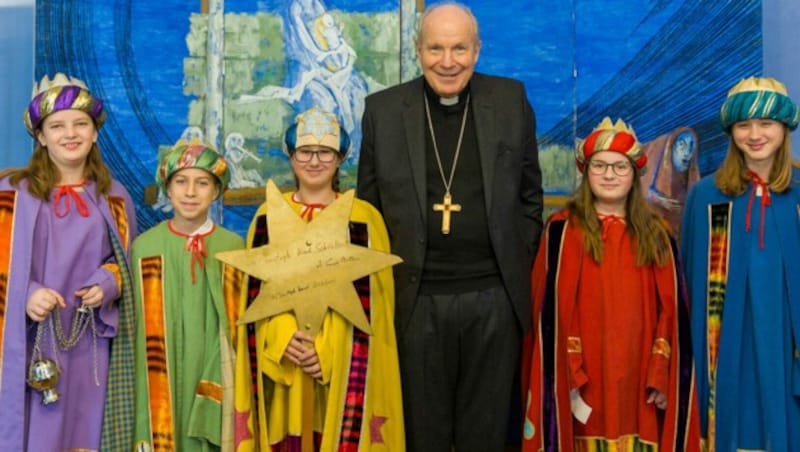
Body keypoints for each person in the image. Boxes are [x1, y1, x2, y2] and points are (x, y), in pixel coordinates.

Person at [356, 2, 543, 450]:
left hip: (493, 300)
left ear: (477, 50)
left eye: (459, 48)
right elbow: (367, 208)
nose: (447, 61)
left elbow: (530, 200)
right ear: (417, 50)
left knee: (489, 434)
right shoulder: (382, 111)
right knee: (423, 434)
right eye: (435, 48)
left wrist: (510, 267)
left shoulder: (510, 100)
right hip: (414, 301)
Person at [521, 117, 701, 451]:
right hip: (583, 374)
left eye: (620, 167)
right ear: (586, 172)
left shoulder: (658, 234)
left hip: (640, 375)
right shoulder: (561, 231)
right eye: (599, 165)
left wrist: (661, 370)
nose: (609, 175)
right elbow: (549, 310)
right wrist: (571, 370)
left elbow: (671, 310)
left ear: (635, 173)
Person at [234, 106, 404, 450]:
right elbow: (254, 295)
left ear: (340, 157)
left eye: (325, 152)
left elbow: (378, 307)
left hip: (342, 362)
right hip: (286, 362)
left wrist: (326, 350)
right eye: (305, 151)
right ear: (291, 156)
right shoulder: (269, 215)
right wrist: (284, 338)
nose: (315, 161)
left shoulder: (363, 218)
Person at [0, 73, 137, 450]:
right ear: (41, 136)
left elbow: (124, 263)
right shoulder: (11, 195)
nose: (70, 133)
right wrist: (26, 294)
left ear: (95, 132)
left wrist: (106, 284)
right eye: (57, 126)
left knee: (86, 432)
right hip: (29, 341)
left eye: (80, 123)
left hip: (90, 344)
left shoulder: (115, 198)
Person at [681, 76, 800, 451]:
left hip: (787, 339)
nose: (755, 134)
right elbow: (688, 283)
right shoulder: (705, 196)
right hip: (726, 339)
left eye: (766, 123)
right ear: (731, 131)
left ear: (784, 127)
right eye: (744, 124)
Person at [132, 139, 243, 451]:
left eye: (202, 183)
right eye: (181, 181)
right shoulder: (145, 247)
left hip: (212, 370)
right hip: (156, 382)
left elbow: (236, 328)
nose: (191, 192)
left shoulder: (232, 248)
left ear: (217, 190)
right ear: (167, 188)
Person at [640, 127, 700, 236]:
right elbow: (640, 195)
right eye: (682, 145)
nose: (687, 152)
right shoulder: (656, 173)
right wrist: (661, 201)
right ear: (671, 148)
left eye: (691, 146)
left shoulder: (691, 185)